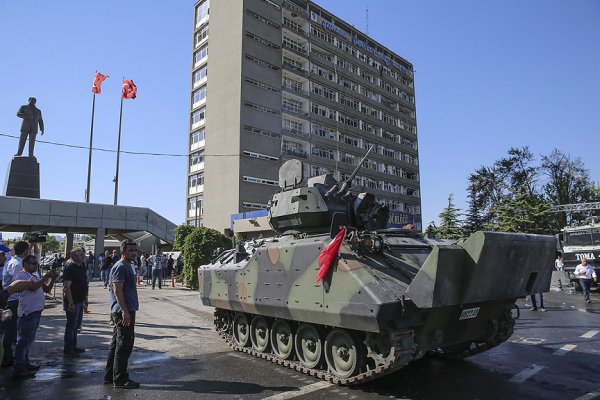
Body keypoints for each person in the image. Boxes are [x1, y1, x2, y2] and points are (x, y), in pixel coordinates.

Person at [12, 255, 57, 378]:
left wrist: (52, 279)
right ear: (25, 264)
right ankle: (19, 367)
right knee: (23, 341)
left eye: (36, 264)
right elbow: (33, 287)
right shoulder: (21, 275)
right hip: (27, 312)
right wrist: (46, 277)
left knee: (28, 340)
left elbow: (46, 289)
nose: (35, 265)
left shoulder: (35, 275)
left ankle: (25, 363)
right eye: (32, 263)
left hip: (36, 311)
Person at [104, 239, 140, 389]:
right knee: (124, 345)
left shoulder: (129, 266)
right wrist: (125, 311)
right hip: (122, 311)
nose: (134, 253)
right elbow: (118, 291)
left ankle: (110, 376)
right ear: (122, 252)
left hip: (126, 309)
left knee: (116, 345)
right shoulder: (120, 267)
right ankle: (120, 379)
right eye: (130, 250)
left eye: (135, 250)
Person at [1, 241, 30, 367]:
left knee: (9, 330)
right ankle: (7, 356)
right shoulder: (19, 264)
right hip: (14, 300)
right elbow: (20, 284)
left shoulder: (10, 262)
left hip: (10, 299)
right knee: (11, 330)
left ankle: (7, 355)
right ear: (25, 251)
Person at [63, 248, 88, 357]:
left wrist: (85, 299)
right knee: (71, 325)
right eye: (80, 255)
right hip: (73, 301)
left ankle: (74, 345)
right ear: (74, 257)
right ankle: (68, 349)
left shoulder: (81, 266)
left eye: (83, 254)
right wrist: (70, 303)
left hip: (80, 300)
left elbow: (84, 283)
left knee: (76, 325)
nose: (83, 256)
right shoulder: (70, 268)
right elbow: (66, 287)